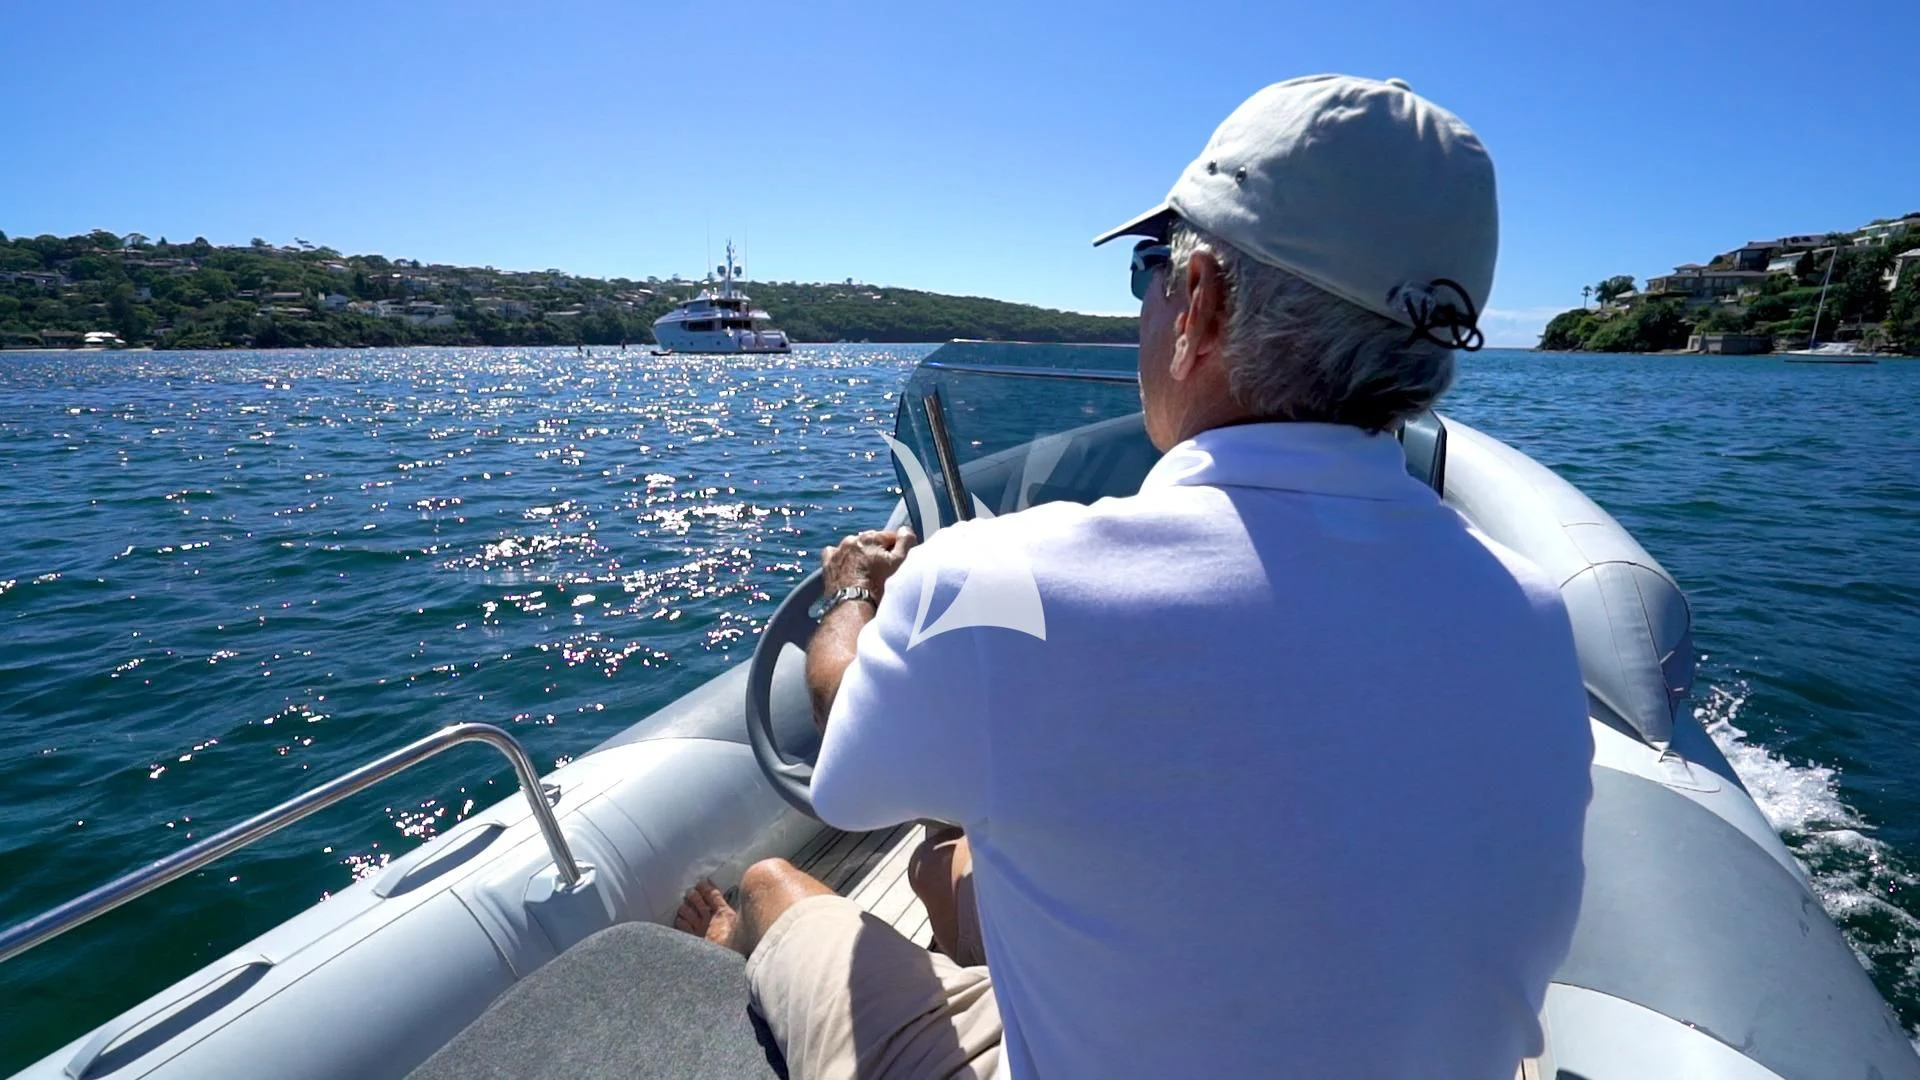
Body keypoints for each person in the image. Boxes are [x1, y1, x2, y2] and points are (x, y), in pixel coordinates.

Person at [673, 73, 1593, 1080]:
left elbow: (849, 776)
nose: (1148, 306)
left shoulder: (1006, 579)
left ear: (1198, 301)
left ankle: (734, 950)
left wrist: (852, 592)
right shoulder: (1533, 616)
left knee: (785, 892)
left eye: (1151, 270)